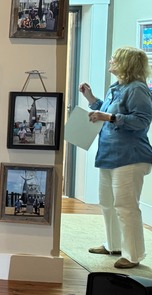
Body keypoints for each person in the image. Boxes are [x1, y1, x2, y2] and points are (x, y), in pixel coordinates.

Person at [80, 46, 152, 269]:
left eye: (115, 58)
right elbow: (106, 110)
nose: (110, 60)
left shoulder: (138, 89)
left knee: (126, 206)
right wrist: (91, 98)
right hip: (110, 154)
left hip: (130, 157)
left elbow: (141, 121)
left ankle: (133, 255)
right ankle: (113, 245)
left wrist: (109, 117)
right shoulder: (118, 86)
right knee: (108, 203)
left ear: (126, 63)